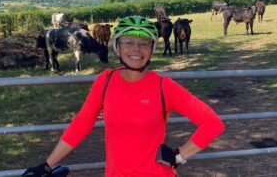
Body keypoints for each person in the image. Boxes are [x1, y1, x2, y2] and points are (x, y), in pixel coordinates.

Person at [22, 15, 225, 177]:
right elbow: (81, 125)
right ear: (117, 47)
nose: (136, 49)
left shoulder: (164, 86)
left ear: (152, 49)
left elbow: (213, 124)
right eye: (129, 42)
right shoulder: (105, 81)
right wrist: (47, 165)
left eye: (144, 43)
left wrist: (179, 156)